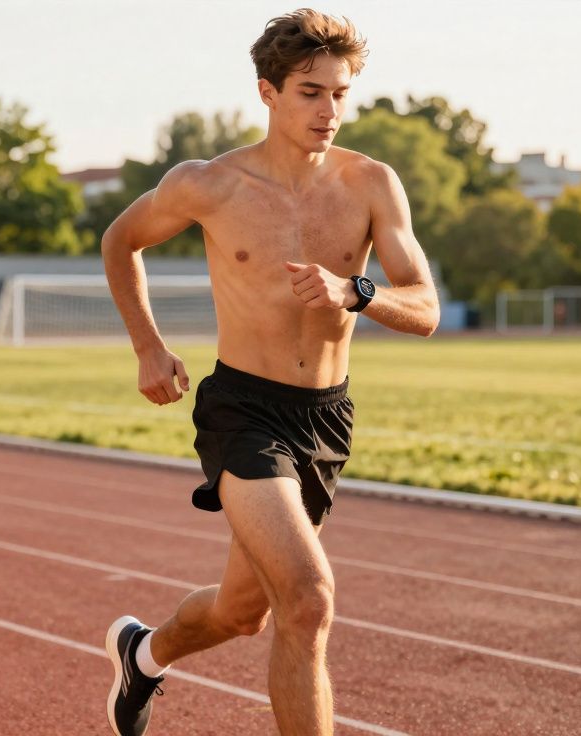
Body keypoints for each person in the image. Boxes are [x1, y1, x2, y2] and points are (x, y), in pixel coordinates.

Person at [101, 9, 440, 735]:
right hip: (243, 411)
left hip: (325, 417)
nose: (329, 111)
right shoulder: (210, 184)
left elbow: (426, 306)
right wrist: (148, 347)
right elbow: (120, 239)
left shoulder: (372, 184)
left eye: (340, 94)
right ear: (268, 92)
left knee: (241, 612)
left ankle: (143, 654)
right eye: (310, 93)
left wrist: (358, 291)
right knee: (309, 599)